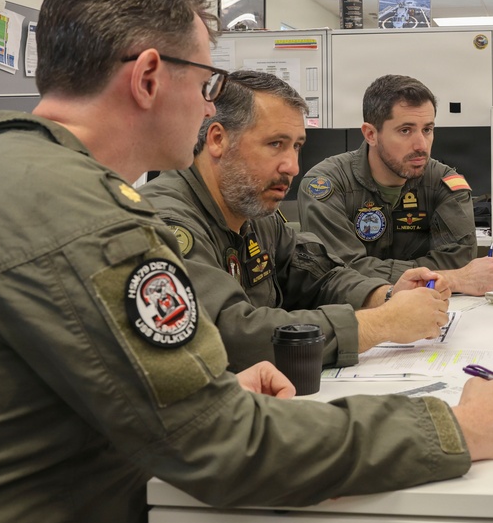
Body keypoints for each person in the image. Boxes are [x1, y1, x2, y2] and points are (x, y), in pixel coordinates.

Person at [0, 0, 493, 523]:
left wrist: (198, 388)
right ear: (148, 77)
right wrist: (458, 428)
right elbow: (223, 447)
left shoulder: (10, 175)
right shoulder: (91, 218)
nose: (204, 107)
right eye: (204, 84)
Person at [141, 69, 454, 372]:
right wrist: (381, 323)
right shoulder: (165, 223)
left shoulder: (252, 209)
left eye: (297, 146)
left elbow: (317, 274)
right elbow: (230, 335)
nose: (292, 166)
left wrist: (385, 296)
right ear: (218, 139)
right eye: (275, 144)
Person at [298, 74, 493, 295]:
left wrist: (447, 274)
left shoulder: (444, 183)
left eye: (427, 129)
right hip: (352, 317)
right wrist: (451, 279)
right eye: (405, 130)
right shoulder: (326, 185)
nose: (421, 145)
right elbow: (339, 273)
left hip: (433, 312)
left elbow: (457, 259)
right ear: (370, 134)